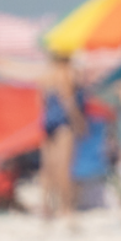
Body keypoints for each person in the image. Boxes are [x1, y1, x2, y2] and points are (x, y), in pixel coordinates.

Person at [38, 53, 89, 220]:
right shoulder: (66, 73)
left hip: (48, 122)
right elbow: (68, 101)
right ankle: (66, 207)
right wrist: (80, 122)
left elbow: (42, 103)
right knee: (64, 168)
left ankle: (46, 206)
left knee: (48, 168)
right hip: (63, 123)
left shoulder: (46, 75)